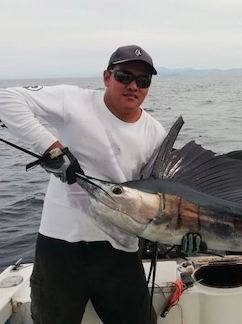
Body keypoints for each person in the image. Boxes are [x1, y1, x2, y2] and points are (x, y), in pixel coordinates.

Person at [0, 45, 166, 324]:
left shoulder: (155, 132)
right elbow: (6, 98)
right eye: (124, 76)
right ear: (106, 77)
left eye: (143, 81)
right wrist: (51, 147)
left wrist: (179, 232)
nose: (133, 86)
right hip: (60, 247)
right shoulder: (72, 101)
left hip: (120, 250)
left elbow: (159, 194)